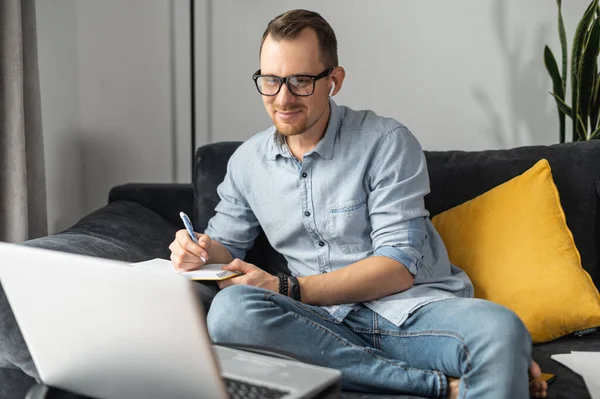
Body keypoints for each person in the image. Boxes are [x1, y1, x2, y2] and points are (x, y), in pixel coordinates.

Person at [169, 9, 547, 399]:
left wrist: (286, 287)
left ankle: (448, 368)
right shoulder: (248, 162)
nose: (282, 98)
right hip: (321, 324)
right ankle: (438, 386)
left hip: (412, 315)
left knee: (500, 330)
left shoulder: (386, 142)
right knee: (232, 312)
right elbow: (224, 245)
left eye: (300, 81)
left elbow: (396, 270)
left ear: (334, 80)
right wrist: (197, 249)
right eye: (271, 80)